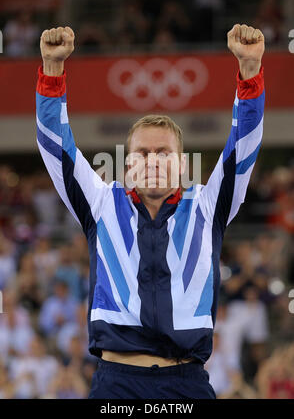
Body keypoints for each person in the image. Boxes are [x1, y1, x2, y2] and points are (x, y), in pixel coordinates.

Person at [35, 23, 265, 399]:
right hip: (117, 385)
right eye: (143, 153)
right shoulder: (102, 203)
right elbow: (55, 146)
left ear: (181, 165)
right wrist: (52, 69)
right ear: (127, 165)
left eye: (164, 153)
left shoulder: (208, 206)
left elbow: (243, 146)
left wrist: (250, 72)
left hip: (187, 384)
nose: (154, 161)